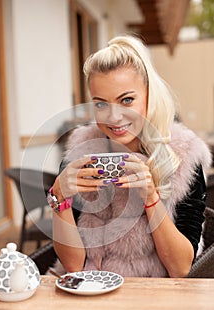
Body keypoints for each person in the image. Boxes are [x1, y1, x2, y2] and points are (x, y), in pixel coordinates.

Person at [48, 35, 211, 278]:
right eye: (101, 104)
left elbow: (180, 268)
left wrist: (151, 199)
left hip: (154, 295)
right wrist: (59, 199)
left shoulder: (184, 155)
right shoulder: (80, 153)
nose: (114, 117)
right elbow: (73, 266)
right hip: (91, 289)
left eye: (126, 100)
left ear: (149, 95)